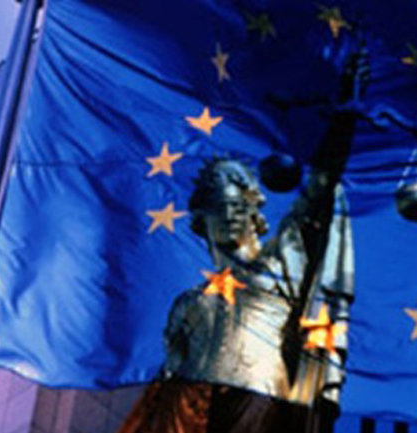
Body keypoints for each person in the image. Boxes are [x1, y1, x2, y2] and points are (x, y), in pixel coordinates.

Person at [118, 48, 368, 433]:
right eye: (222, 206)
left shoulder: (278, 266)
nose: (233, 215)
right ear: (202, 220)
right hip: (188, 410)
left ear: (256, 214)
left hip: (260, 402)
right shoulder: (187, 304)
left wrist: (344, 118)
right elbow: (166, 380)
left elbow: (319, 189)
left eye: (240, 206)